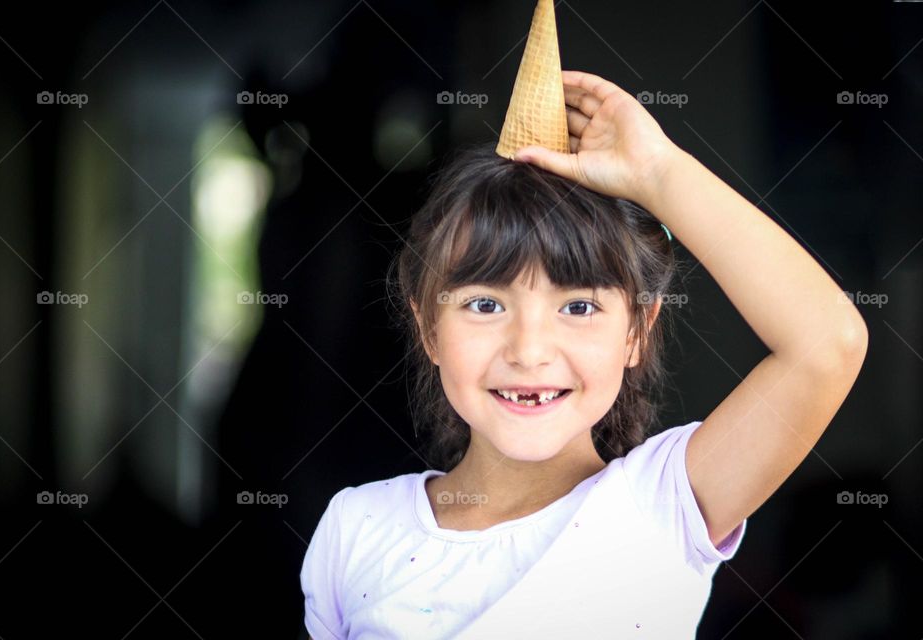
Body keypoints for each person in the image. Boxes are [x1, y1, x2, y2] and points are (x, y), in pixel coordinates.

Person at [299, 69, 869, 639]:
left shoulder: (663, 504)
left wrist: (657, 172)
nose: (528, 350)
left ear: (637, 332)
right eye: (484, 304)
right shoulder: (359, 528)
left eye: (577, 308)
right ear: (427, 326)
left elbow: (826, 345)